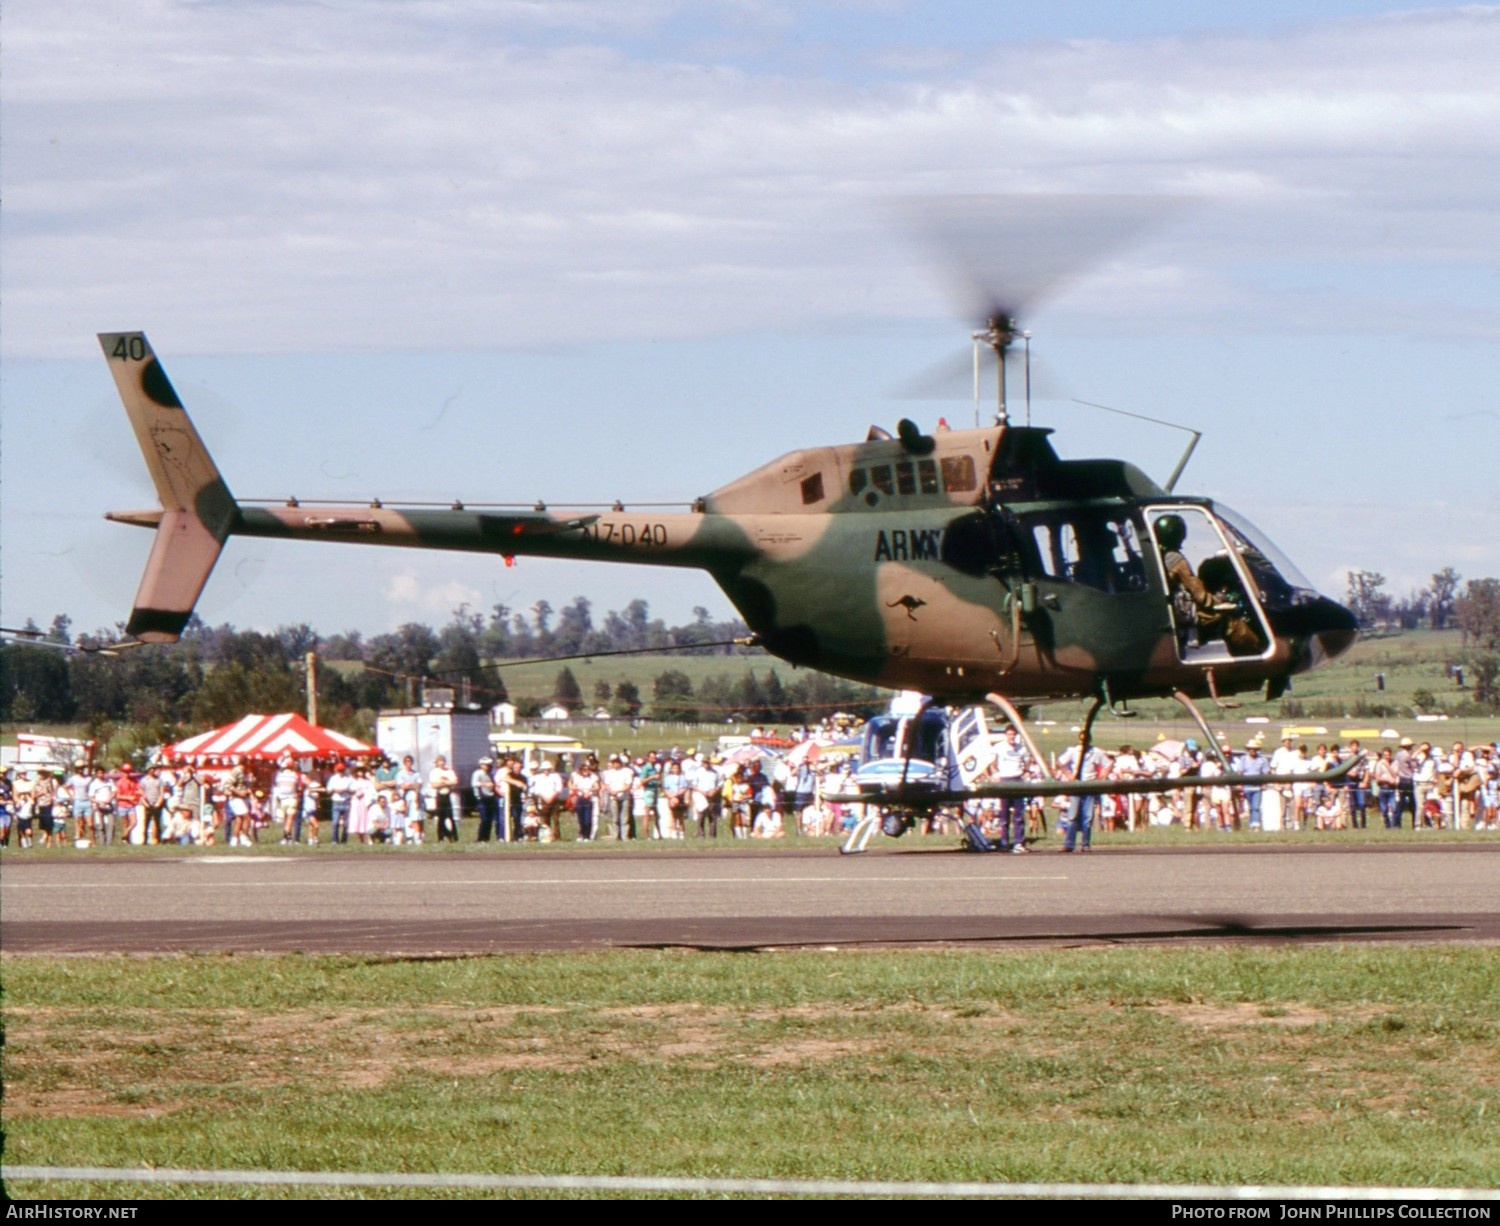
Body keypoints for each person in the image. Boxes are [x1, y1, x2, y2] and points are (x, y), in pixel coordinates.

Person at [1056, 731, 1104, 852]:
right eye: (1082, 741)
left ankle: (1085, 844)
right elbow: (1059, 762)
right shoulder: (1073, 751)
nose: (1084, 743)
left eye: (1086, 741)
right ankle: (1069, 843)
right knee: (1072, 816)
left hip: (1089, 785)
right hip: (1076, 785)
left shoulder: (1095, 752)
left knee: (1088, 817)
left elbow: (1108, 763)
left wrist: (1101, 778)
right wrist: (1068, 774)